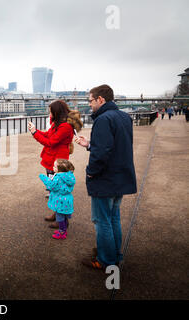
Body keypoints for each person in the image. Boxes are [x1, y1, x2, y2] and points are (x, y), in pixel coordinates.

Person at [75, 84, 137, 270]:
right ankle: (115, 254)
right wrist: (89, 145)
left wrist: (91, 172)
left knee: (102, 221)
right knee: (113, 218)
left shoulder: (103, 119)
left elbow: (101, 154)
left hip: (106, 179)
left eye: (91, 101)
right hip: (121, 177)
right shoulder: (124, 117)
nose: (90, 104)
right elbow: (114, 146)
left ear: (100, 100)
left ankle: (105, 260)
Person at [28, 100, 82, 229]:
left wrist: (35, 133)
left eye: (51, 111)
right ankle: (56, 213)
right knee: (53, 189)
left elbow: (50, 142)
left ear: (56, 112)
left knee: (58, 190)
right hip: (52, 159)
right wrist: (35, 131)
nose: (49, 113)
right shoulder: (58, 123)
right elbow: (48, 135)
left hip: (57, 160)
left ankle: (61, 219)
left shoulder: (65, 126)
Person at [39, 159, 76, 240]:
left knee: (60, 217)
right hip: (67, 199)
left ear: (60, 169)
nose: (53, 167)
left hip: (60, 201)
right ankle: (64, 229)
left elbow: (52, 186)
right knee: (64, 215)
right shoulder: (69, 176)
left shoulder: (58, 178)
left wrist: (43, 178)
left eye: (55, 166)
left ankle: (62, 232)